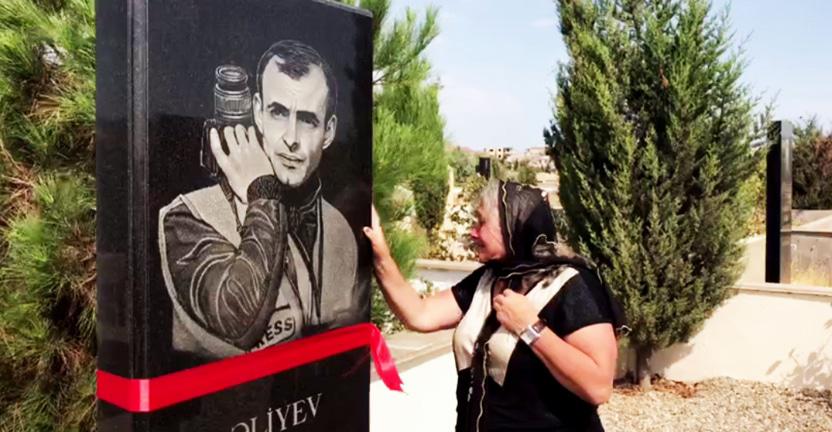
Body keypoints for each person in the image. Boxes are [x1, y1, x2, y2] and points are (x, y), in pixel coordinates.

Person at [363, 180, 627, 431]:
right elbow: (420, 315)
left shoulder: (572, 285)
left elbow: (598, 387)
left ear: (513, 226)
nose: (473, 232)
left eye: (481, 222)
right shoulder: (489, 279)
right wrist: (380, 254)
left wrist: (531, 328)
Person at [159, 40, 362, 359]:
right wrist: (263, 191)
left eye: (307, 120)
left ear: (328, 131)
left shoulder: (339, 229)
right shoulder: (188, 216)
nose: (291, 139)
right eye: (278, 113)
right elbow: (238, 322)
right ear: (257, 111)